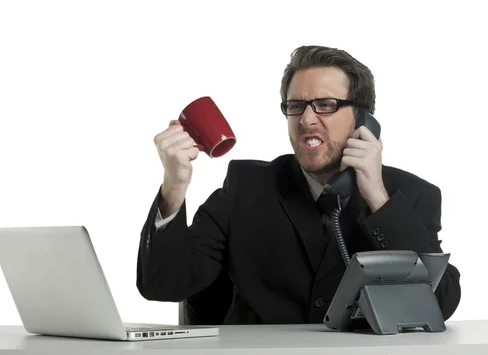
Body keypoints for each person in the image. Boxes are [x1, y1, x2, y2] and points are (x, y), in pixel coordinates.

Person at [136, 45, 461, 325]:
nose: (306, 120)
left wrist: (377, 197)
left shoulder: (412, 195)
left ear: (363, 119)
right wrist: (174, 187)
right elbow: (163, 285)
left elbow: (440, 302)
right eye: (296, 106)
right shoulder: (246, 186)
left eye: (325, 104)